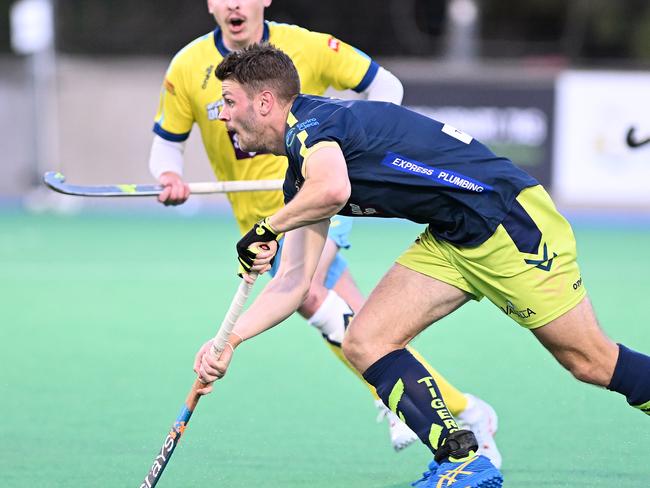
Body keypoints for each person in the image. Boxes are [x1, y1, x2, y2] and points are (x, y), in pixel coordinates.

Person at [194, 43, 650, 487]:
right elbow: (293, 283)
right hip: (452, 236)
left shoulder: (310, 126)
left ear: (266, 102)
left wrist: (266, 227)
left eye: (229, 102)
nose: (223, 115)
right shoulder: (299, 177)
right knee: (366, 341)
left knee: (590, 361)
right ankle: (462, 460)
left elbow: (332, 189)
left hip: (507, 220)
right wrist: (229, 340)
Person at [151, 0, 501, 465]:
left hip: (320, 195)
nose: (234, 3)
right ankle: (455, 407)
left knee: (311, 294)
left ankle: (404, 398)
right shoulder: (187, 65)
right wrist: (169, 179)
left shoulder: (308, 47)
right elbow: (166, 147)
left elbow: (387, 88)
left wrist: (354, 150)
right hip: (259, 221)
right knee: (353, 318)